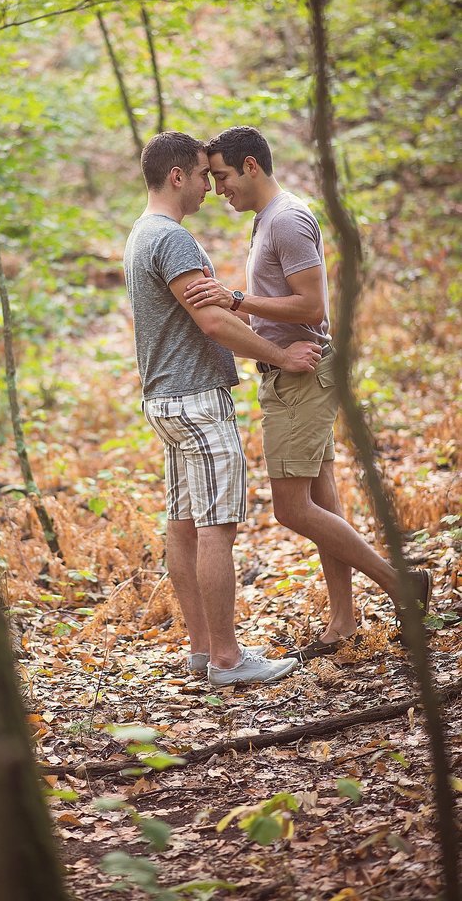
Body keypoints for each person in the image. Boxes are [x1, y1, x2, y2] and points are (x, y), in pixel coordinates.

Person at [184, 125, 432, 659]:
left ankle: (400, 585)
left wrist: (236, 300)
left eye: (223, 176)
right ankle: (343, 619)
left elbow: (312, 306)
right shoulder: (266, 221)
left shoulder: (288, 220)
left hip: (301, 375)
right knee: (323, 499)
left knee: (292, 509)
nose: (218, 188)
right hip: (291, 376)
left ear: (252, 166)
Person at [124, 130, 323, 686]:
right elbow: (213, 321)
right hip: (196, 399)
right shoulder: (174, 240)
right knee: (216, 527)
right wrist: (281, 356)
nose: (211, 188)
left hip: (164, 399)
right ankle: (229, 659)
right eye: (202, 176)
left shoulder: (141, 234)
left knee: (184, 523)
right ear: (177, 176)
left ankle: (203, 648)